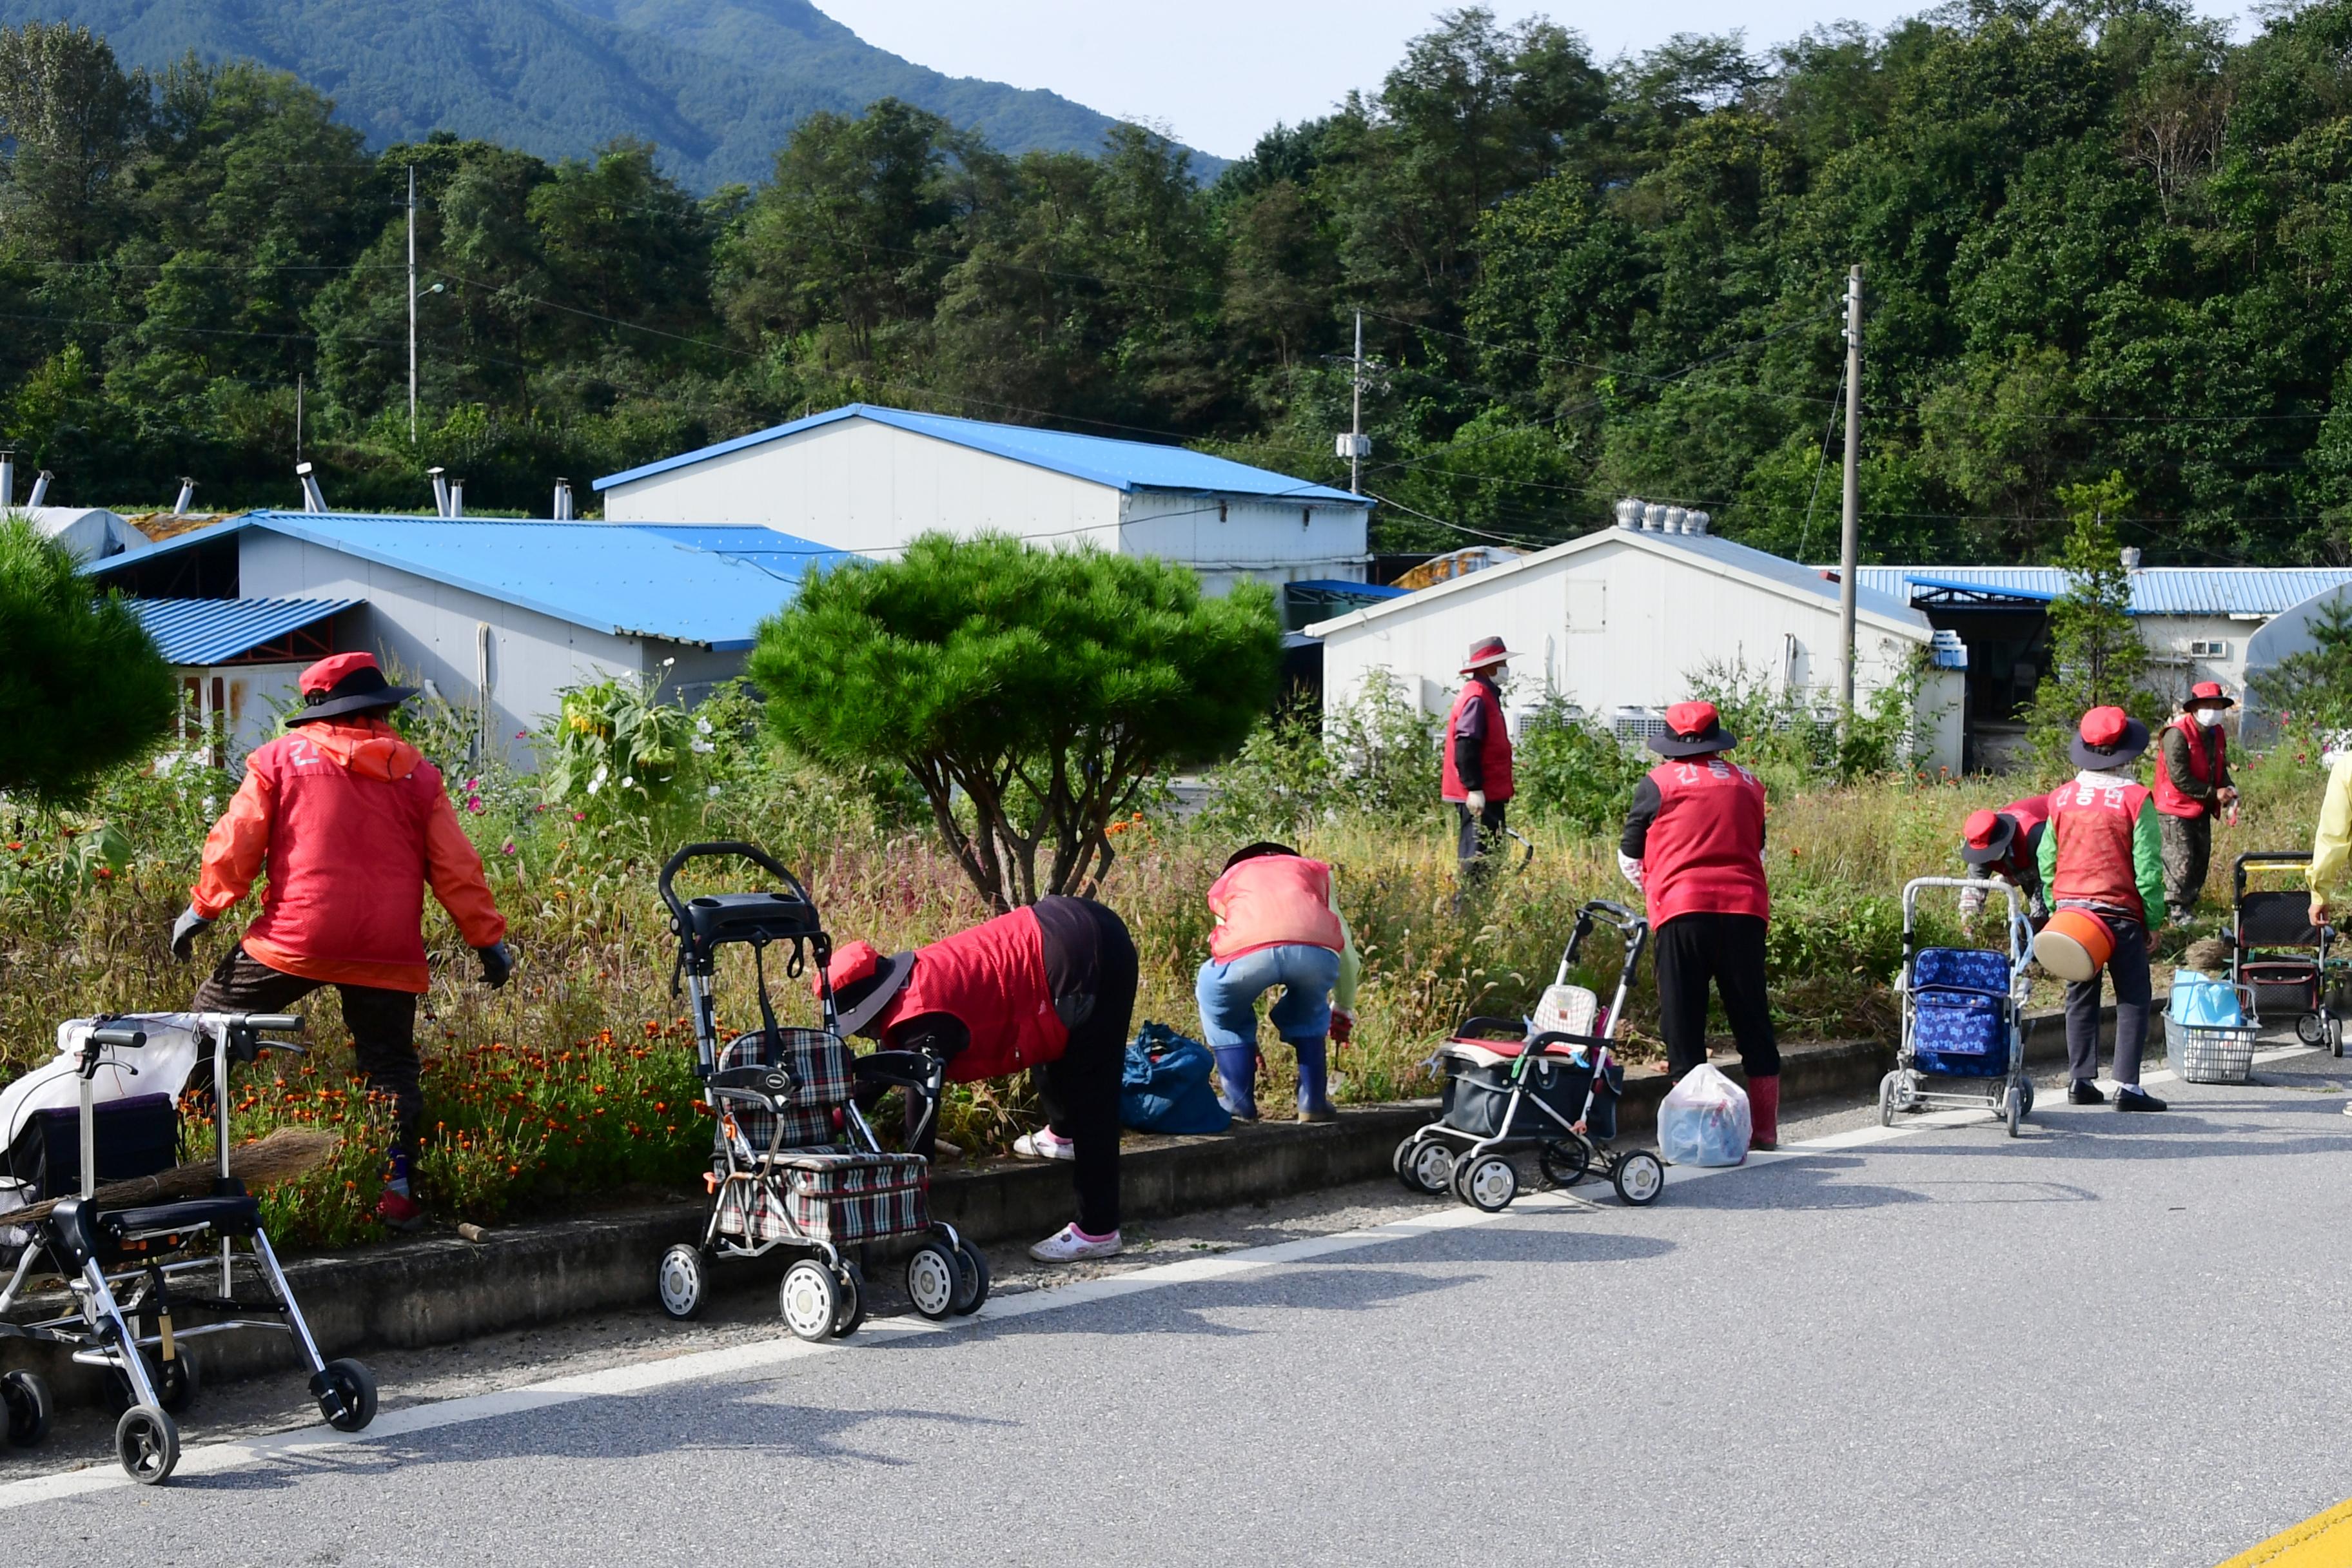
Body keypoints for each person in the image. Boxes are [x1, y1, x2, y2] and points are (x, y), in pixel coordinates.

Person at [169, 652, 513, 1230]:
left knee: (206, 1025)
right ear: (380, 709)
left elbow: (237, 844)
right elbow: (456, 866)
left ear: (318, 710)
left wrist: (203, 909)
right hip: (386, 948)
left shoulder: (278, 761)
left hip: (294, 936)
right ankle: (397, 1190)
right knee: (389, 1068)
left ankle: (184, 1158)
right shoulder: (419, 776)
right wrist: (487, 940)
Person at [822, 896, 1136, 1264]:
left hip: (1083, 959)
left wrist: (914, 1178)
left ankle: (1098, 1230)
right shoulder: (914, 981)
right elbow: (881, 1073)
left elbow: (920, 1101)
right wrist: (830, 1120)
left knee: (1092, 1087)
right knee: (1051, 1032)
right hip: (1063, 926)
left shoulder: (923, 1018)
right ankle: (1063, 1135)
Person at [1617, 700, 1781, 1150]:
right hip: (1745, 910)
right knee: (1752, 1017)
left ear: (1671, 740)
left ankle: (1691, 1134)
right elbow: (1758, 852)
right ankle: (1765, 1129)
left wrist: (1659, 888)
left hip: (1682, 910)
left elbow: (1630, 858)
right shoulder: (1750, 784)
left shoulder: (1658, 783)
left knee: (1683, 1020)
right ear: (1717, 736)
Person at [2037, 706, 2168, 1113]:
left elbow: (2047, 860)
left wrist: (2052, 904)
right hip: (2121, 913)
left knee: (2080, 992)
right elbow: (2148, 867)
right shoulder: (2135, 799)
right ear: (2125, 753)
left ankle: (2080, 1081)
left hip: (2073, 914)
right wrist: (2154, 919)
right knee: (2132, 996)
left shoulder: (2060, 798)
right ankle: (2127, 1087)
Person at [1194, 842, 1364, 1123]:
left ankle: (1239, 1102)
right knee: (1310, 1011)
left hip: (1247, 956)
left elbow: (1233, 955)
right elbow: (1346, 952)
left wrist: (1245, 1043)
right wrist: (1343, 1007)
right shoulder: (1312, 873)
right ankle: (1313, 1102)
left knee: (1218, 1002)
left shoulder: (1229, 880)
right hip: (1316, 955)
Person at [2154, 681, 2239, 925]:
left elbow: (2218, 766)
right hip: (2175, 808)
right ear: (2194, 708)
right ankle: (2176, 912)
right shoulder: (2177, 734)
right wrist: (2215, 793)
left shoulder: (2217, 733)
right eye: (2208, 705)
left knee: (2201, 856)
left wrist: (2229, 788)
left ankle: (2191, 903)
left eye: (2217, 706)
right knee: (2181, 859)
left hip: (2201, 805)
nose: (2214, 710)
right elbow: (2179, 777)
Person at [1442, 636, 1517, 887]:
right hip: (1479, 795)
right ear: (1489, 667)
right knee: (1477, 859)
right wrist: (1474, 788)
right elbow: (1466, 745)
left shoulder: (1484, 694)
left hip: (1489, 793)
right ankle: (1466, 914)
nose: (1506, 668)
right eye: (1502, 662)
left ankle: (1477, 910)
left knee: (1489, 857)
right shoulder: (1477, 697)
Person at [1957, 796, 2052, 929]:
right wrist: (1968, 925)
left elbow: (2050, 870)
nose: (1986, 857)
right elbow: (1973, 887)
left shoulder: (2033, 834)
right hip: (2024, 853)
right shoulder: (1981, 836)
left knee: (2042, 918)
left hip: (2064, 826)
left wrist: (2011, 880)